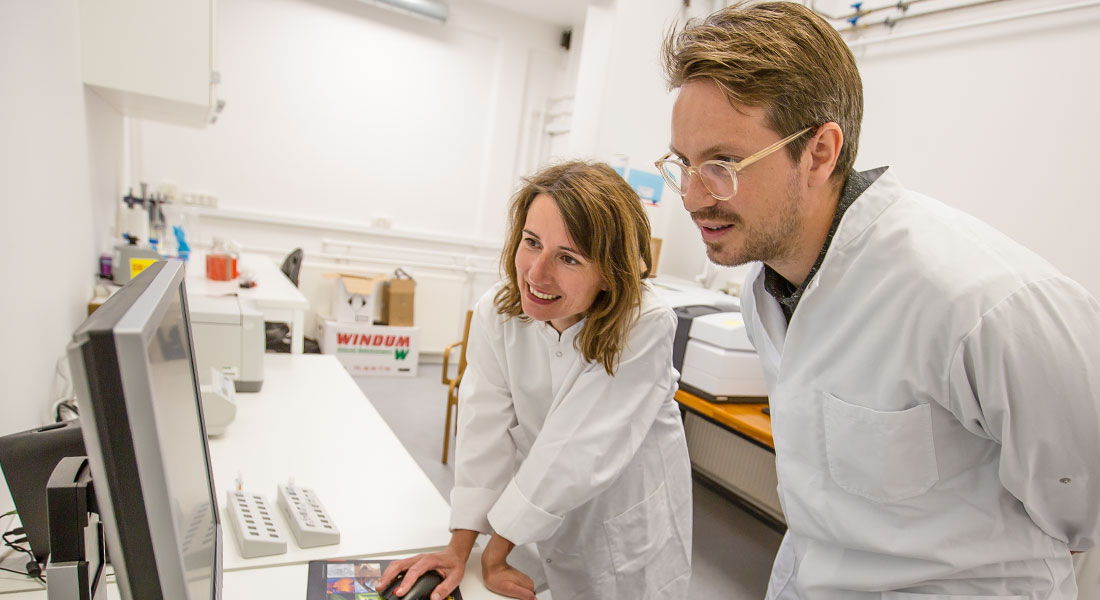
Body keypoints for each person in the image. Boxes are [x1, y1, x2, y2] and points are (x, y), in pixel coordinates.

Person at [658, 2, 1100, 598]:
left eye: (723, 164)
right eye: (684, 164)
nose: (691, 197)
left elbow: (1083, 510)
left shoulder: (987, 305)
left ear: (819, 152)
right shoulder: (766, 292)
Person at [378, 161, 693, 600]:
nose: (536, 274)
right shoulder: (500, 311)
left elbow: (575, 450)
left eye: (568, 258)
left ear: (610, 270)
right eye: (531, 243)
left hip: (623, 521)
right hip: (539, 508)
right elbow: (482, 427)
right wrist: (458, 548)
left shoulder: (645, 324)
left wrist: (495, 552)